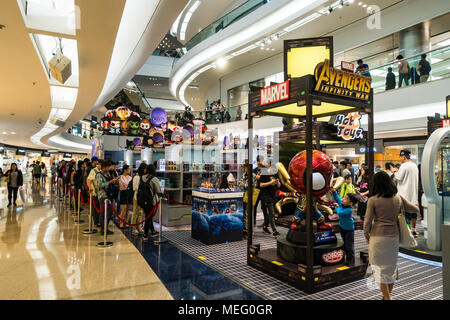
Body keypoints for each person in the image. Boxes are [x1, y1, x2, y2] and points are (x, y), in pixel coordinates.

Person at [364, 171, 419, 300]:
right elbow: (414, 209)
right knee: (391, 268)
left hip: (377, 237)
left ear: (376, 184)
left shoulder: (373, 200)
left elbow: (367, 221)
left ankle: (387, 297)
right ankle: (387, 296)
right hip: (393, 237)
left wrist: (366, 234)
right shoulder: (398, 198)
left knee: (378, 269)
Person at [393, 150, 419, 237]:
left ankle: (407, 232)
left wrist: (395, 171)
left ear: (403, 156)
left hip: (404, 195)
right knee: (413, 213)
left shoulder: (404, 165)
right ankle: (414, 230)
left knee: (405, 216)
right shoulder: (414, 165)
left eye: (400, 157)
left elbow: (399, 178)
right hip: (413, 195)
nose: (400, 159)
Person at [332, 189, 359, 265]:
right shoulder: (342, 204)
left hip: (349, 230)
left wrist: (337, 206)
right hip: (342, 227)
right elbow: (337, 198)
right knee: (345, 244)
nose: (343, 199)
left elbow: (340, 212)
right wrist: (334, 191)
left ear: (350, 203)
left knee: (349, 245)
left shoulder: (349, 210)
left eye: (346, 199)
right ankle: (347, 258)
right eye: (344, 197)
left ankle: (351, 260)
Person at [94, 160, 118, 235]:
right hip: (103, 196)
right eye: (109, 166)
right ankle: (102, 228)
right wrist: (110, 182)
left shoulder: (108, 173)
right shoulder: (99, 175)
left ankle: (106, 228)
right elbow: (100, 185)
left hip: (109, 195)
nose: (110, 168)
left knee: (109, 213)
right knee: (103, 213)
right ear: (105, 167)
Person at [258, 159, 280, 238]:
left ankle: (265, 226)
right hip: (265, 195)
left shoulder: (274, 172)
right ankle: (274, 231)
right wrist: (271, 182)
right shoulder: (263, 172)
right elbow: (261, 185)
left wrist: (277, 182)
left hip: (273, 195)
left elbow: (279, 185)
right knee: (271, 213)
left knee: (268, 214)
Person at [141, 164, 162, 240]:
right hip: (151, 200)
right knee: (148, 217)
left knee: (148, 216)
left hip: (142, 200)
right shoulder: (154, 179)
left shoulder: (142, 177)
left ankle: (152, 231)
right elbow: (158, 190)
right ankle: (145, 234)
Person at [239, 163, 256, 239]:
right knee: (244, 214)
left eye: (245, 168)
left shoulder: (253, 176)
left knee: (250, 215)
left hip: (250, 196)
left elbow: (251, 186)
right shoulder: (244, 175)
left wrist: (242, 184)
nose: (244, 169)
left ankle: (250, 232)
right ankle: (245, 231)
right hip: (244, 196)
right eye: (244, 168)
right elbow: (241, 182)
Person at [131, 163, 147, 235]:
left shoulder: (143, 177)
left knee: (140, 212)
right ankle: (133, 229)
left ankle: (139, 227)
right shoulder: (137, 177)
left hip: (142, 197)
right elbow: (134, 188)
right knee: (135, 213)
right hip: (137, 197)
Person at [253, 156, 264, 226]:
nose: (259, 163)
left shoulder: (265, 170)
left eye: (260, 161)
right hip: (256, 190)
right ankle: (253, 222)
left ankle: (266, 223)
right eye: (258, 161)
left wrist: (260, 178)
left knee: (264, 207)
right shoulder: (254, 170)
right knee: (254, 207)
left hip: (263, 190)